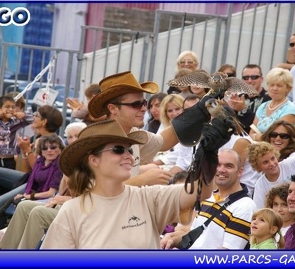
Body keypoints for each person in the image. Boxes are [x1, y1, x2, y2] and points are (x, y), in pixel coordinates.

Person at [40, 119, 231, 249]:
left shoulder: (148, 197)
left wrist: (209, 155)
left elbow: (200, 192)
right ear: (93, 160)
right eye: (118, 149)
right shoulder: (72, 210)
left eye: (130, 150)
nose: (128, 156)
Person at [86, 71, 217, 186]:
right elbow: (93, 188)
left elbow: (164, 141)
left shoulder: (134, 134)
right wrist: (143, 179)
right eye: (136, 104)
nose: (144, 109)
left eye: (144, 103)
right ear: (113, 108)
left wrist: (201, 109)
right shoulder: (95, 142)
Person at [0, 106, 64, 227]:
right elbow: (28, 170)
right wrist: (25, 152)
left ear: (44, 121)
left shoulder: (53, 143)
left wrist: (27, 150)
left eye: (37, 116)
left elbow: (40, 172)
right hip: (31, 178)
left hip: (39, 185)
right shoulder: (39, 138)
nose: (33, 118)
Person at [161, 150, 257, 250]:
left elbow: (228, 255)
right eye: (218, 165)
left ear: (240, 172)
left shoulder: (245, 206)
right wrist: (172, 240)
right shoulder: (209, 197)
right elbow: (194, 238)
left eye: (228, 166)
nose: (221, 170)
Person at [0, 134, 64, 231]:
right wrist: (26, 152)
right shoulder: (40, 161)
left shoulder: (59, 165)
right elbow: (28, 171)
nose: (49, 150)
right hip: (30, 182)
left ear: (61, 149)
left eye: (53, 147)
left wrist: (28, 195)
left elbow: (51, 193)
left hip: (41, 192)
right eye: (45, 148)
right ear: (41, 151)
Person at [246, 142, 295, 209]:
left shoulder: (289, 164)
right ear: (257, 166)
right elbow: (260, 210)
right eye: (265, 162)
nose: (271, 164)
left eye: (272, 158)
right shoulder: (260, 185)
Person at [249, 68, 295, 139]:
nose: (274, 88)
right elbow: (251, 133)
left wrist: (257, 136)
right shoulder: (263, 106)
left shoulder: (290, 109)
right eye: (271, 85)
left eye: (279, 85)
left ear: (288, 88)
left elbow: (276, 136)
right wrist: (260, 136)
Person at [227, 64, 271, 134]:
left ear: (261, 79)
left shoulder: (269, 98)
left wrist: (243, 109)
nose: (249, 81)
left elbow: (262, 125)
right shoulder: (237, 98)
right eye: (246, 78)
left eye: (254, 77)